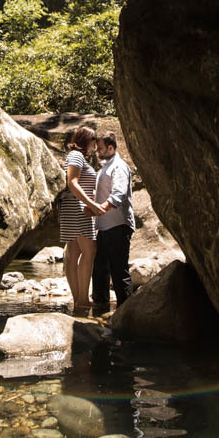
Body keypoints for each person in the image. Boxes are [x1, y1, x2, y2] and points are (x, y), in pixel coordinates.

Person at [60, 126, 105, 315]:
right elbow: (72, 182)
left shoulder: (77, 157)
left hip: (74, 207)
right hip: (77, 208)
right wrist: (91, 204)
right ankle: (83, 299)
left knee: (74, 251)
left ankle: (79, 300)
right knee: (89, 250)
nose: (95, 147)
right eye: (94, 142)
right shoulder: (76, 156)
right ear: (88, 140)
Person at [90, 131, 134, 316]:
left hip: (118, 225)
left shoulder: (119, 166)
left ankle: (127, 313)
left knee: (119, 272)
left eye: (100, 148)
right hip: (105, 226)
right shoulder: (105, 166)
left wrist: (102, 207)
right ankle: (100, 310)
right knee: (99, 270)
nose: (97, 152)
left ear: (110, 147)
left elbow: (119, 193)